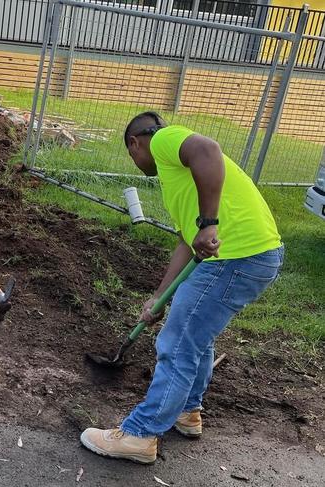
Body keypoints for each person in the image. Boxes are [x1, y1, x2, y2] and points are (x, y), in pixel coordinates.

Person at [80, 112, 283, 464]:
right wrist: (160, 297)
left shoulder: (162, 140)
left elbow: (208, 148)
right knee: (195, 335)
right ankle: (187, 412)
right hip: (255, 255)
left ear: (135, 143)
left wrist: (209, 224)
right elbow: (186, 244)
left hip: (237, 256)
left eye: (133, 157)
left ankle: (140, 435)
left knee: (177, 342)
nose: (137, 163)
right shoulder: (179, 183)